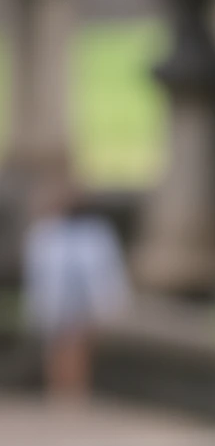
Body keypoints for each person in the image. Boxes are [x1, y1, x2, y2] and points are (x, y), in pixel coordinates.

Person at [22, 167, 129, 397]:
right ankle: (61, 392)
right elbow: (39, 276)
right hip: (57, 302)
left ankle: (74, 392)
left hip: (82, 303)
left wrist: (109, 303)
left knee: (77, 347)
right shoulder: (45, 233)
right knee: (58, 348)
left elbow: (104, 273)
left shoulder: (93, 233)